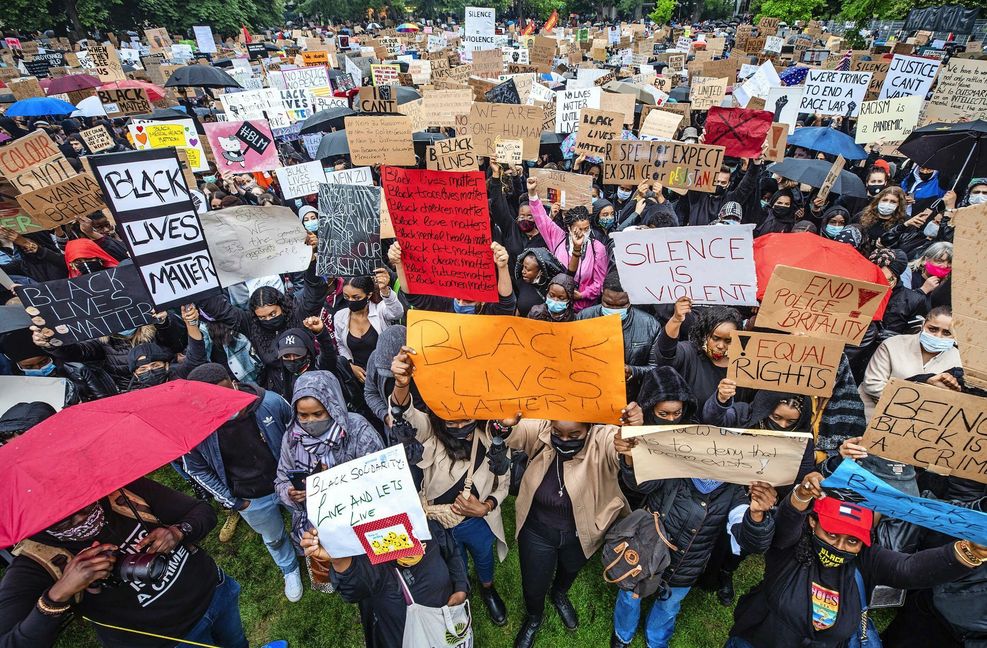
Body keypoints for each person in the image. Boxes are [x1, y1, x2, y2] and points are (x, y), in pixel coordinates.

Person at [725, 473, 987, 648]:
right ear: (813, 523)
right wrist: (801, 496)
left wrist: (967, 552)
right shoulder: (790, 548)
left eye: (852, 541)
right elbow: (787, 522)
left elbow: (907, 569)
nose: (840, 546)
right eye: (831, 535)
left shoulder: (865, 560)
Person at [612, 390, 777, 648]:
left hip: (685, 568)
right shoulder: (674, 462)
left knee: (668, 606)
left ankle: (656, 641)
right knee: (630, 594)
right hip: (645, 552)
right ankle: (623, 634)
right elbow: (639, 485)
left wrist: (756, 515)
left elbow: (750, 540)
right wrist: (630, 458)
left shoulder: (735, 491)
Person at [0, 478, 248, 648]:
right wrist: (58, 594)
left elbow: (201, 511)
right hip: (168, 640)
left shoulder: (122, 492)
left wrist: (178, 531)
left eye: (83, 505)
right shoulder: (34, 562)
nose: (81, 520)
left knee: (237, 643)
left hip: (216, 593)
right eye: (63, 522)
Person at [389, 347, 511, 625]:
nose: (458, 425)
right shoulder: (430, 432)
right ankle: (460, 589)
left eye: (466, 418)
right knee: (449, 561)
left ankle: (488, 589)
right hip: (438, 523)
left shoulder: (493, 440)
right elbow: (406, 414)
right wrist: (401, 385)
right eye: (450, 418)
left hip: (478, 522)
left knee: (483, 556)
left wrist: (486, 507)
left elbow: (503, 483)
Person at [500, 411, 630, 648]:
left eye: (574, 435)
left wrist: (629, 445)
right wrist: (504, 424)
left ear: (590, 428)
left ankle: (559, 593)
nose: (564, 440)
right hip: (537, 530)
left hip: (583, 532)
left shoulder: (604, 439)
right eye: (557, 433)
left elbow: (622, 453)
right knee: (533, 583)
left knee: (570, 569)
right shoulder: (540, 429)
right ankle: (533, 618)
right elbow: (513, 432)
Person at [182, 363, 302, 602]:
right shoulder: (193, 430)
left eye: (228, 393)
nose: (225, 403)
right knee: (274, 537)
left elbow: (297, 432)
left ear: (234, 382)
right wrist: (235, 502)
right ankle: (290, 569)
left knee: (306, 520)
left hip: (288, 483)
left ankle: (311, 552)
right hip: (250, 497)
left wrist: (301, 476)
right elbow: (196, 469)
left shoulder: (269, 402)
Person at [300, 520, 469, 648]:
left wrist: (461, 587)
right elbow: (355, 588)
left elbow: (451, 551)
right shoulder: (371, 560)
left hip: (449, 619)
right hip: (401, 636)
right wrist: (339, 559)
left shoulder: (425, 526)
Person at [274, 371, 384, 547]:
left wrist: (334, 482)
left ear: (333, 408)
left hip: (363, 516)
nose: (310, 421)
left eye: (318, 414)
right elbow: (281, 480)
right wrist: (290, 492)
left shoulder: (357, 430)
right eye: (303, 415)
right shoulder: (292, 438)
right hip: (320, 526)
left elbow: (381, 477)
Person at [195, 256, 329, 389]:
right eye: (262, 317)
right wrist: (198, 280)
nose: (269, 320)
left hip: (312, 381)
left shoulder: (298, 313)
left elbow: (314, 291)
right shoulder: (250, 324)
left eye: (273, 314)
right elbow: (219, 309)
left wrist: (311, 263)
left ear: (282, 306)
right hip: (277, 387)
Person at [527, 177, 608, 311]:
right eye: (578, 229)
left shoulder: (597, 248)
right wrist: (532, 194)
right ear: (569, 228)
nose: (583, 233)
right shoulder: (558, 238)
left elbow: (599, 282)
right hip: (556, 305)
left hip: (583, 309)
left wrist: (582, 295)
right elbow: (541, 219)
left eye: (586, 229)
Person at [577, 270, 660, 398]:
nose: (614, 310)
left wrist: (633, 371)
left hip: (632, 397)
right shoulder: (584, 317)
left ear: (631, 299)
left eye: (621, 305)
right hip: (590, 393)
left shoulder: (650, 325)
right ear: (601, 295)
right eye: (608, 304)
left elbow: (656, 367)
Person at [652, 297, 742, 404]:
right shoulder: (690, 352)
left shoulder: (744, 363)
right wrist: (676, 320)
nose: (721, 346)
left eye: (728, 340)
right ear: (704, 334)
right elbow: (666, 351)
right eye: (715, 338)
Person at [388, 240, 517, 315]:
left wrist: (502, 267)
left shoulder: (490, 311)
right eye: (458, 297)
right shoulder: (443, 303)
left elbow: (507, 303)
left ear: (483, 300)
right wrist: (400, 263)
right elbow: (412, 295)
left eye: (467, 301)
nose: (460, 304)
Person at [333, 272, 403, 386]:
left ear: (369, 295)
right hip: (360, 379)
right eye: (346, 297)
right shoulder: (340, 317)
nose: (350, 300)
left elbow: (397, 313)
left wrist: (385, 291)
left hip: (386, 376)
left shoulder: (380, 310)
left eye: (356, 297)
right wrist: (350, 366)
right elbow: (340, 344)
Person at [125, 305, 207, 389]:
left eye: (155, 365)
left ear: (167, 365)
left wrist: (191, 324)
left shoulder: (179, 374)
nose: (150, 371)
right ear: (135, 374)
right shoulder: (132, 395)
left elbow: (196, 357)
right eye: (142, 369)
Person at [513, 248, 566, 317]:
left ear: (540, 271)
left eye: (528, 269)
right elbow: (517, 309)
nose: (523, 271)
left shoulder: (552, 287)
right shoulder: (520, 283)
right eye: (523, 267)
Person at [857, 186, 909, 254]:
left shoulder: (903, 222)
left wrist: (887, 250)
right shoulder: (862, 215)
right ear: (878, 200)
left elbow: (904, 249)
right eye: (885, 200)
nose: (887, 204)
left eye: (893, 202)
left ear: (899, 204)